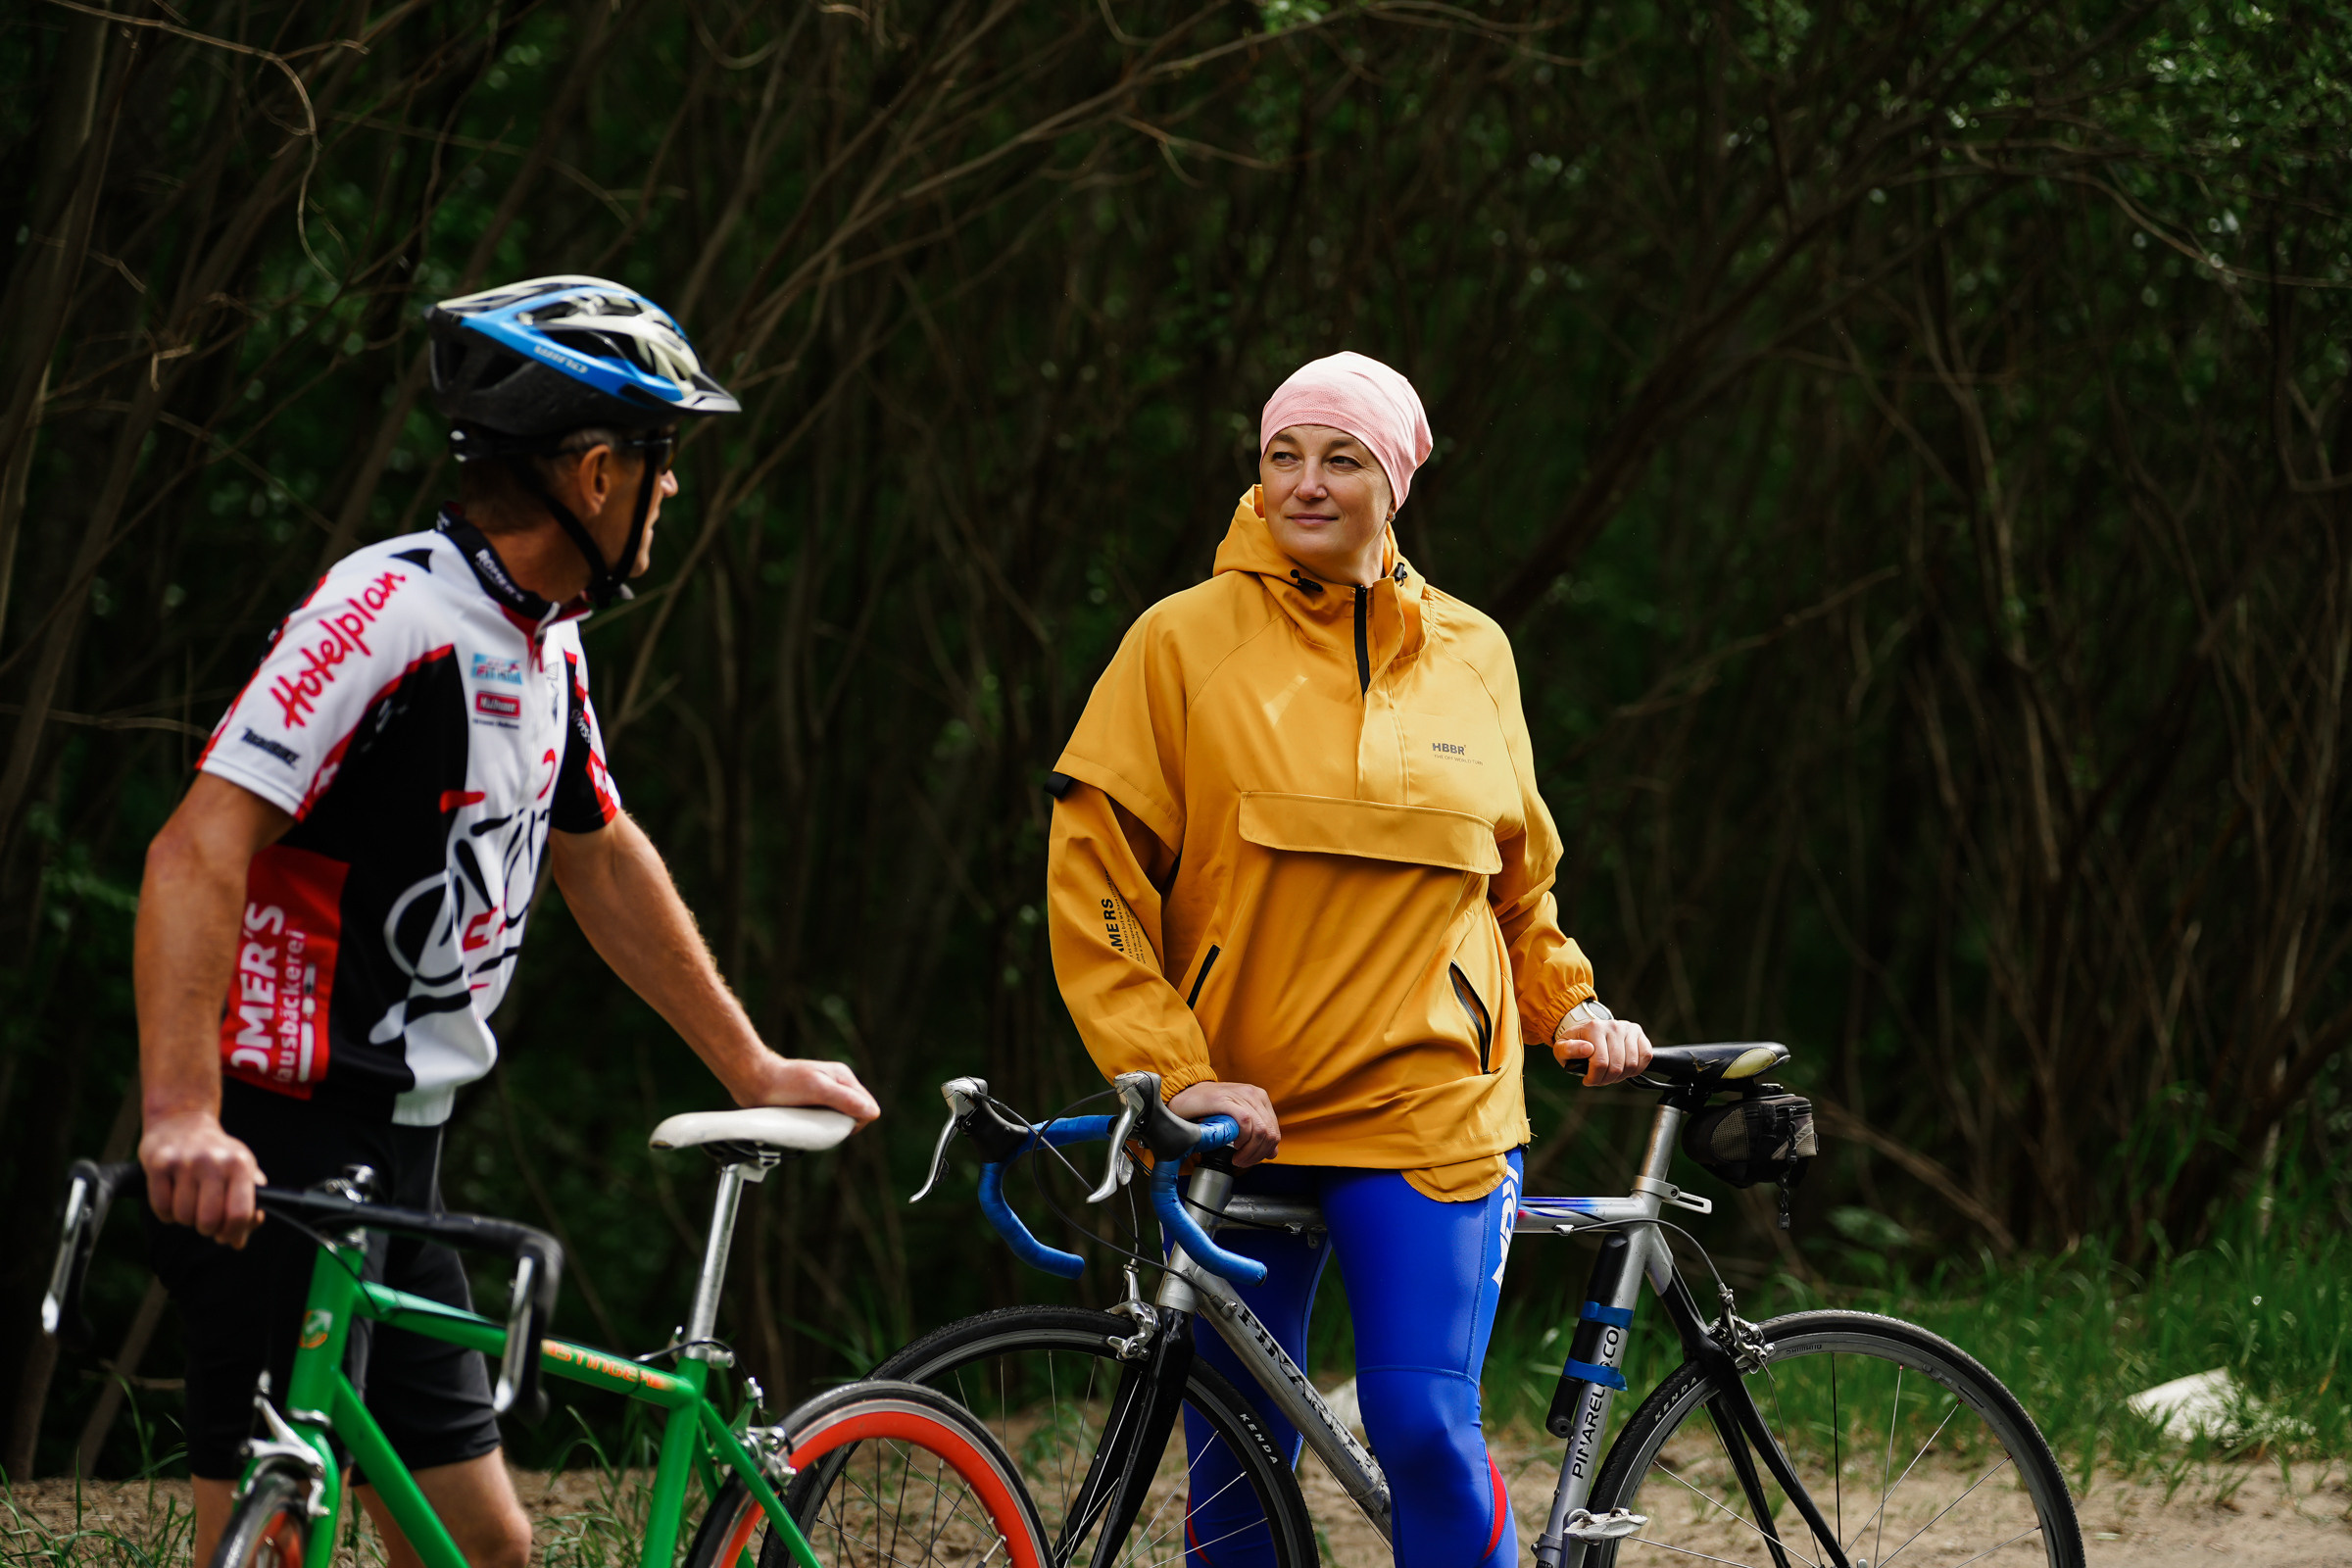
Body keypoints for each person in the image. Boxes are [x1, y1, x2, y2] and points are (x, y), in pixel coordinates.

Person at [134, 276, 879, 1568]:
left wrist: (751, 1064)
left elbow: (599, 858)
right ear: (596, 475)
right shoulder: (385, 616)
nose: (675, 491)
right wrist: (184, 1114)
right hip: (276, 1149)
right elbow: (196, 848)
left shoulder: (543, 640)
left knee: (489, 1552)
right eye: (664, 461)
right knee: (264, 1541)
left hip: (404, 1157)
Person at [1044, 351, 1652, 1566]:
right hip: (1240, 1112)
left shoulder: (1477, 653)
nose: (1306, 484)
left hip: (1432, 1112)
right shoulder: (1179, 643)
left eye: (1341, 458)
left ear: (1398, 481)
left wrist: (1568, 1005)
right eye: (1284, 456)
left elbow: (1518, 885)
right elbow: (1094, 876)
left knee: (1425, 1426)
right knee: (1234, 1461)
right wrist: (1176, 1071)